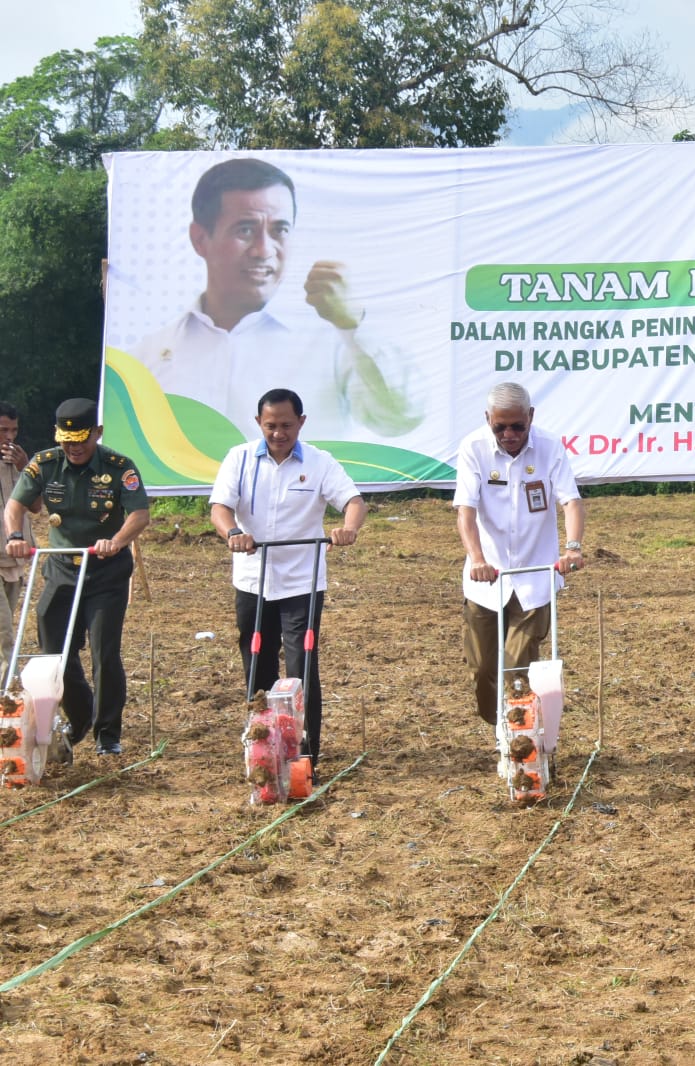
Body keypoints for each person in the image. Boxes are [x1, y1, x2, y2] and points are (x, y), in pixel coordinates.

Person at [133, 157, 421, 441]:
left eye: (279, 230)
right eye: (244, 230)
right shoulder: (150, 355)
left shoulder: (333, 339)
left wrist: (353, 325)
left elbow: (400, 417)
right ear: (200, 238)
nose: (263, 250)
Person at [209, 388, 366, 770]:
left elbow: (353, 502)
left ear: (302, 423)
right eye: (270, 426)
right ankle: (263, 743)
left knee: (302, 665)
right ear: (259, 423)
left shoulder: (319, 462)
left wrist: (347, 528)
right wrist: (233, 534)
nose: (278, 434)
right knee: (257, 664)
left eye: (286, 426)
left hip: (302, 581)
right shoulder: (240, 459)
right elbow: (220, 508)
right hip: (253, 579)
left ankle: (306, 751)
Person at [4, 399, 150, 760]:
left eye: (81, 440)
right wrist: (14, 536)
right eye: (67, 440)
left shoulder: (119, 467)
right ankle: (80, 716)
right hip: (61, 569)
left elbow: (140, 514)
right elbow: (16, 504)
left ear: (97, 434)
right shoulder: (44, 463)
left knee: (104, 651)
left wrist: (116, 542)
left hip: (105, 571)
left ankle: (107, 734)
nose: (73, 447)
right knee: (53, 651)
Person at [455, 382, 584, 732]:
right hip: (486, 580)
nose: (509, 434)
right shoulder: (473, 448)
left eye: (517, 426)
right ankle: (501, 724)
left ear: (531, 417)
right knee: (482, 669)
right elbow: (465, 512)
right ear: (487, 419)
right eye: (500, 427)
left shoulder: (550, 448)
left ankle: (519, 738)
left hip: (534, 579)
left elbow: (570, 501)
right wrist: (477, 559)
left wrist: (572, 548)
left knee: (516, 669)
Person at [0, 401, 28, 672]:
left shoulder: (21, 464)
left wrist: (25, 468)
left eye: (14, 430)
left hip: (14, 559)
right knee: (4, 636)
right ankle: (7, 701)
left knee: (9, 629)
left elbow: (37, 506)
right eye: (3, 430)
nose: (9, 437)